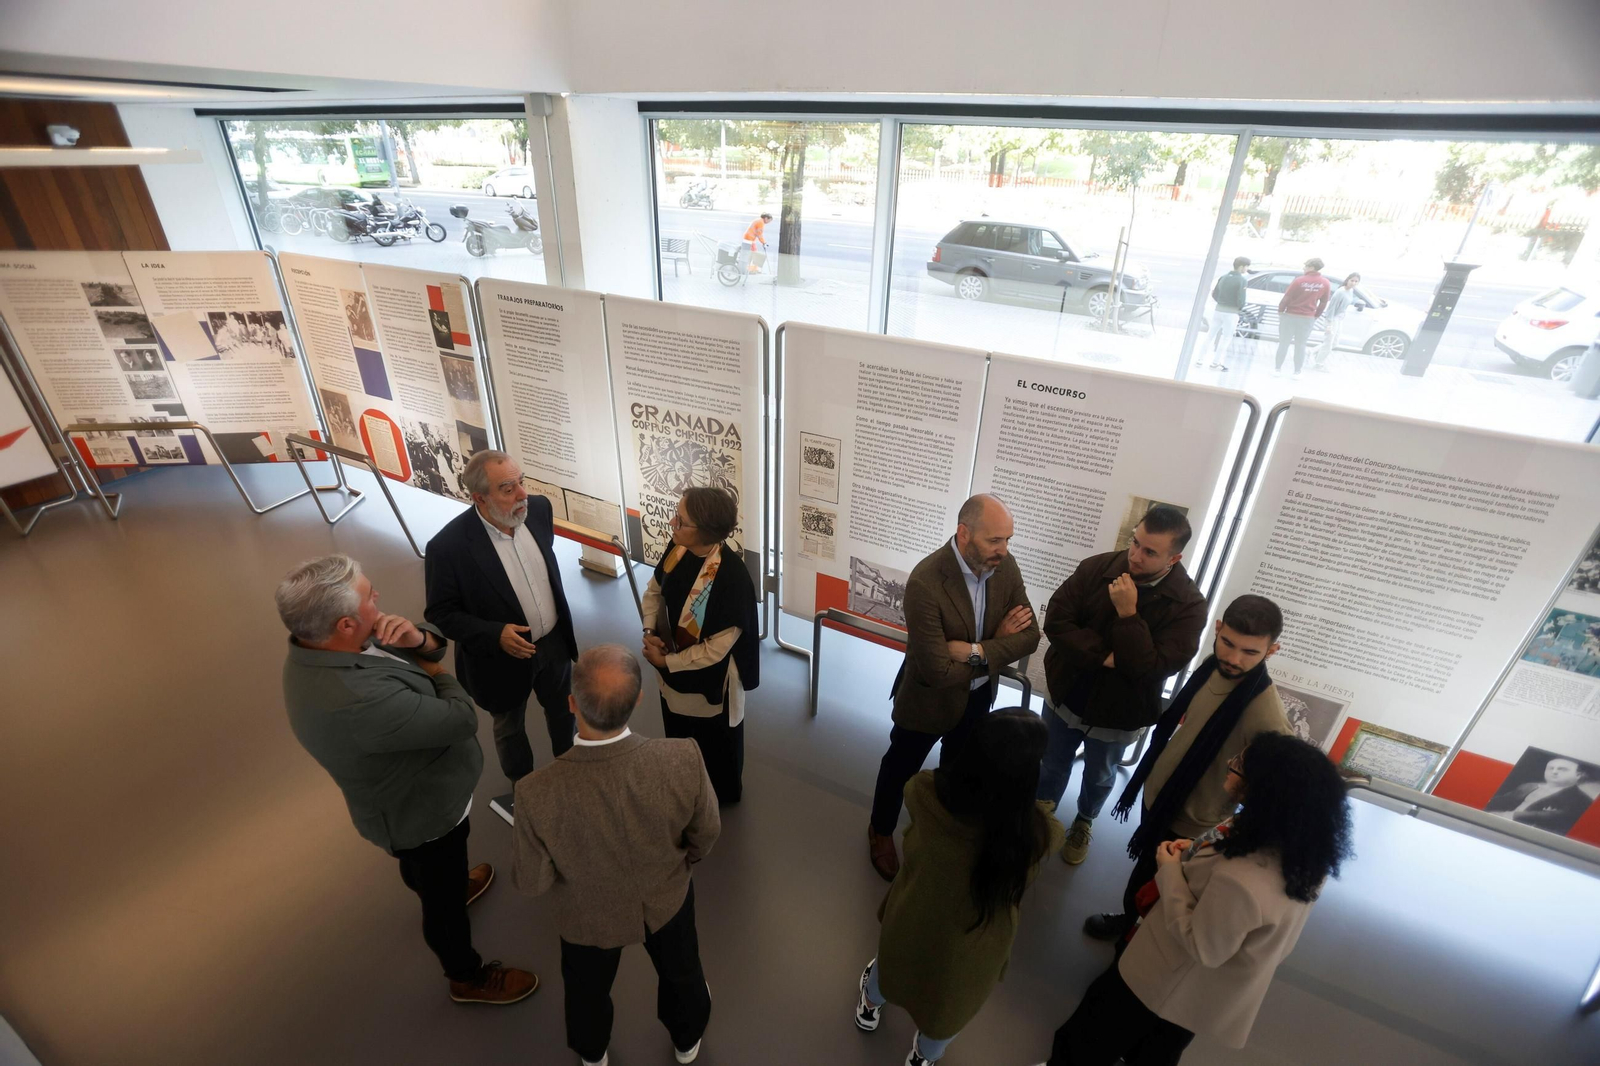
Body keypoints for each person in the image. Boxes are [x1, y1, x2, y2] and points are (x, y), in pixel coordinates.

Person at [276, 554, 538, 1005]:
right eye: (369, 598)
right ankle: (466, 976)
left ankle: (451, 884)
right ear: (343, 625)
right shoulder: (354, 699)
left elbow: (422, 649)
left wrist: (419, 639)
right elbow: (459, 717)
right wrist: (437, 672)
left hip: (418, 796)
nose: (378, 599)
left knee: (434, 871)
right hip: (422, 815)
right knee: (441, 904)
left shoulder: (326, 647)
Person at [1037, 733, 1353, 1065]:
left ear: (1263, 790)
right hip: (1200, 993)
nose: (1230, 769)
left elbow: (1203, 946)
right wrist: (1191, 851)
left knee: (1088, 1035)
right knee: (1155, 1050)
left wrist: (1170, 869)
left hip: (1165, 976)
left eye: (1239, 767)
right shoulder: (1299, 851)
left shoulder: (1243, 881)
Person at [512, 645, 719, 1066]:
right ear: (638, 699)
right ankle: (686, 1041)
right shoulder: (683, 759)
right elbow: (707, 834)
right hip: (666, 901)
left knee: (586, 990)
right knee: (682, 973)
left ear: (571, 704)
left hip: (586, 918)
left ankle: (593, 1053)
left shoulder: (535, 793)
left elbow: (532, 881)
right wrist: (683, 862)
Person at [854, 710, 1063, 1066]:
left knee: (889, 968)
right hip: (977, 942)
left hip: (913, 915)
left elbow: (914, 805)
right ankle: (923, 1055)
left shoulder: (924, 793)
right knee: (950, 1009)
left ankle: (870, 1005)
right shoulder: (1038, 835)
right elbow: (1049, 826)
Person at [1084, 595, 1290, 943]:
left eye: (1250, 652)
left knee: (1163, 885)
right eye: (1228, 644)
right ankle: (1132, 925)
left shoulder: (1263, 711)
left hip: (1192, 818)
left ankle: (1134, 942)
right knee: (1146, 874)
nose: (1234, 659)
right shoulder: (1213, 665)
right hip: (1161, 796)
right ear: (1218, 628)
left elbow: (1278, 782)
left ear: (1272, 650)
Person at [867, 494, 1040, 882]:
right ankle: (880, 831)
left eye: (1008, 540)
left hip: (978, 698)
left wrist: (977, 650)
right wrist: (997, 645)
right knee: (901, 767)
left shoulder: (1005, 567)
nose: (1004, 550)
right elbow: (937, 671)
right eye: (995, 540)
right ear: (964, 534)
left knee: (957, 771)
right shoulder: (926, 582)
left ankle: (937, 835)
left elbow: (1030, 635)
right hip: (927, 700)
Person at [1036, 506, 1208, 866]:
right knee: (1051, 763)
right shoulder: (1098, 567)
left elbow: (1155, 668)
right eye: (1135, 542)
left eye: (1149, 552)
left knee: (1100, 776)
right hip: (1067, 693)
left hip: (1120, 714)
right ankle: (1039, 818)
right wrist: (1105, 657)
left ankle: (1084, 821)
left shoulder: (1189, 606)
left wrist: (1129, 614)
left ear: (1174, 558)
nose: (1135, 555)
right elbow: (1057, 620)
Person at [425, 450, 578, 790]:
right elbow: (440, 613)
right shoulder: (448, 548)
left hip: (553, 642)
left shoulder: (538, 511)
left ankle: (571, 774)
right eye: (508, 489)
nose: (522, 494)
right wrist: (494, 634)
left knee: (562, 711)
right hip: (500, 658)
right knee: (509, 728)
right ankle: (523, 789)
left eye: (520, 482)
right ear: (480, 498)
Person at [640, 486, 761, 805]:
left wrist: (667, 663)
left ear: (705, 532)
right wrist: (649, 629)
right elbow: (654, 592)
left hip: (710, 678)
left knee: (716, 744)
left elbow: (716, 649)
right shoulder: (678, 548)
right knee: (678, 732)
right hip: (670, 661)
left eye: (680, 520)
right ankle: (683, 786)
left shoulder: (733, 580)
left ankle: (718, 797)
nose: (671, 523)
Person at [1486, 756, 1599, 835]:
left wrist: (1509, 816)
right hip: (1496, 823)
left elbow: (1557, 817)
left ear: (1578, 775)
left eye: (1562, 769)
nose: (1554, 772)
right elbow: (1502, 800)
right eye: (1551, 768)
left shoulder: (1580, 799)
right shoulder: (1529, 786)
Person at [1311, 272, 1385, 371]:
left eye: (1356, 281)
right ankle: (1318, 364)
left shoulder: (1350, 291)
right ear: (1347, 280)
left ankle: (1313, 351)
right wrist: (1329, 324)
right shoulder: (1340, 292)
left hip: (1339, 319)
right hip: (1332, 319)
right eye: (1352, 280)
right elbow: (1331, 309)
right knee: (1328, 343)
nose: (1353, 283)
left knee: (1335, 343)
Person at [1273, 258, 1331, 379]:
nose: (1303, 268)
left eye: (1305, 266)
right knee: (1301, 345)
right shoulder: (1325, 283)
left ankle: (1277, 369)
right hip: (1307, 318)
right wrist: (1316, 315)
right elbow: (1324, 302)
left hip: (1290, 316)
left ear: (1311, 267)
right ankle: (1297, 372)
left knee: (1284, 343)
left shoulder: (1299, 281)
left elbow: (1287, 298)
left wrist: (1280, 311)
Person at [1199, 257, 1250, 370]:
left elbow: (1214, 294)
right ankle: (1216, 362)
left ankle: (1199, 359)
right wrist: (1238, 308)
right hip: (1231, 313)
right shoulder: (1242, 281)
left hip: (1218, 310)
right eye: (1246, 266)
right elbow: (1241, 299)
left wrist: (1221, 302)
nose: (1247, 268)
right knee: (1226, 338)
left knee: (1210, 335)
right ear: (1241, 266)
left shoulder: (1223, 277)